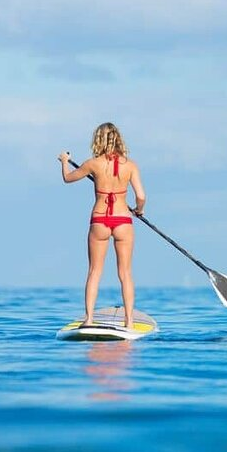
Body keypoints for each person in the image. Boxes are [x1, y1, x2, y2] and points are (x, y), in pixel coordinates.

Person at [58, 122, 146, 329]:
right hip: (123, 219)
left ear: (98, 140)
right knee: (125, 273)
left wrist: (64, 161)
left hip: (99, 220)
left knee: (94, 272)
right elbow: (141, 196)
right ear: (118, 139)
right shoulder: (130, 165)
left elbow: (67, 178)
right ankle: (130, 322)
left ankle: (88, 319)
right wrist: (139, 210)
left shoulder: (93, 164)